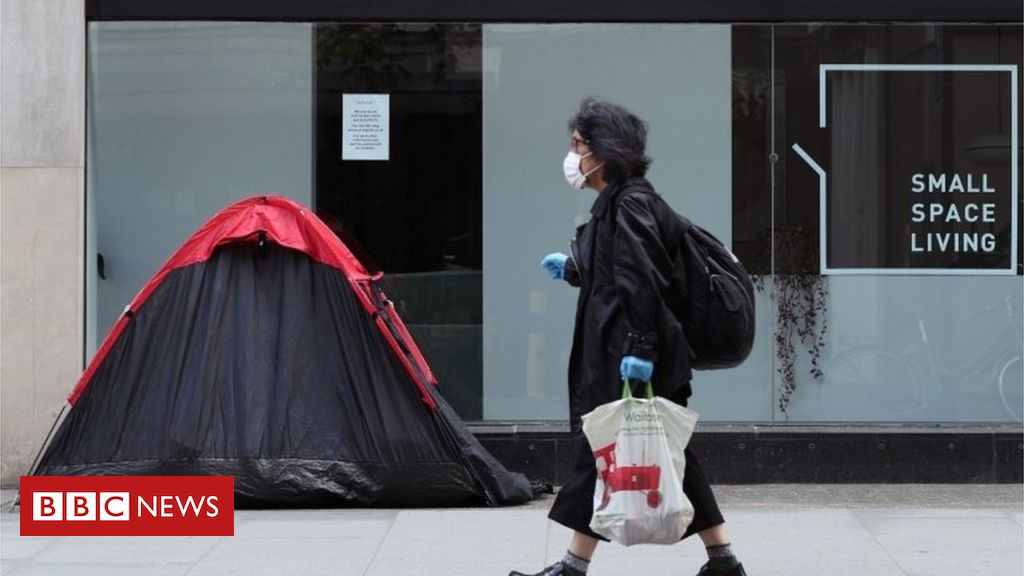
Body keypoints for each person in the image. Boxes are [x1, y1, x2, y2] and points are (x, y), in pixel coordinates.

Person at [509, 98, 747, 576]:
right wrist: (574, 269)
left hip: (634, 354)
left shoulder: (632, 204)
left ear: (603, 151)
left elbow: (643, 280)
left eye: (578, 145)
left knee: (602, 452)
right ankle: (723, 561)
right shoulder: (621, 202)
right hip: (627, 350)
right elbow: (621, 271)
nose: (573, 156)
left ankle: (572, 567)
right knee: (662, 453)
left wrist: (639, 350)